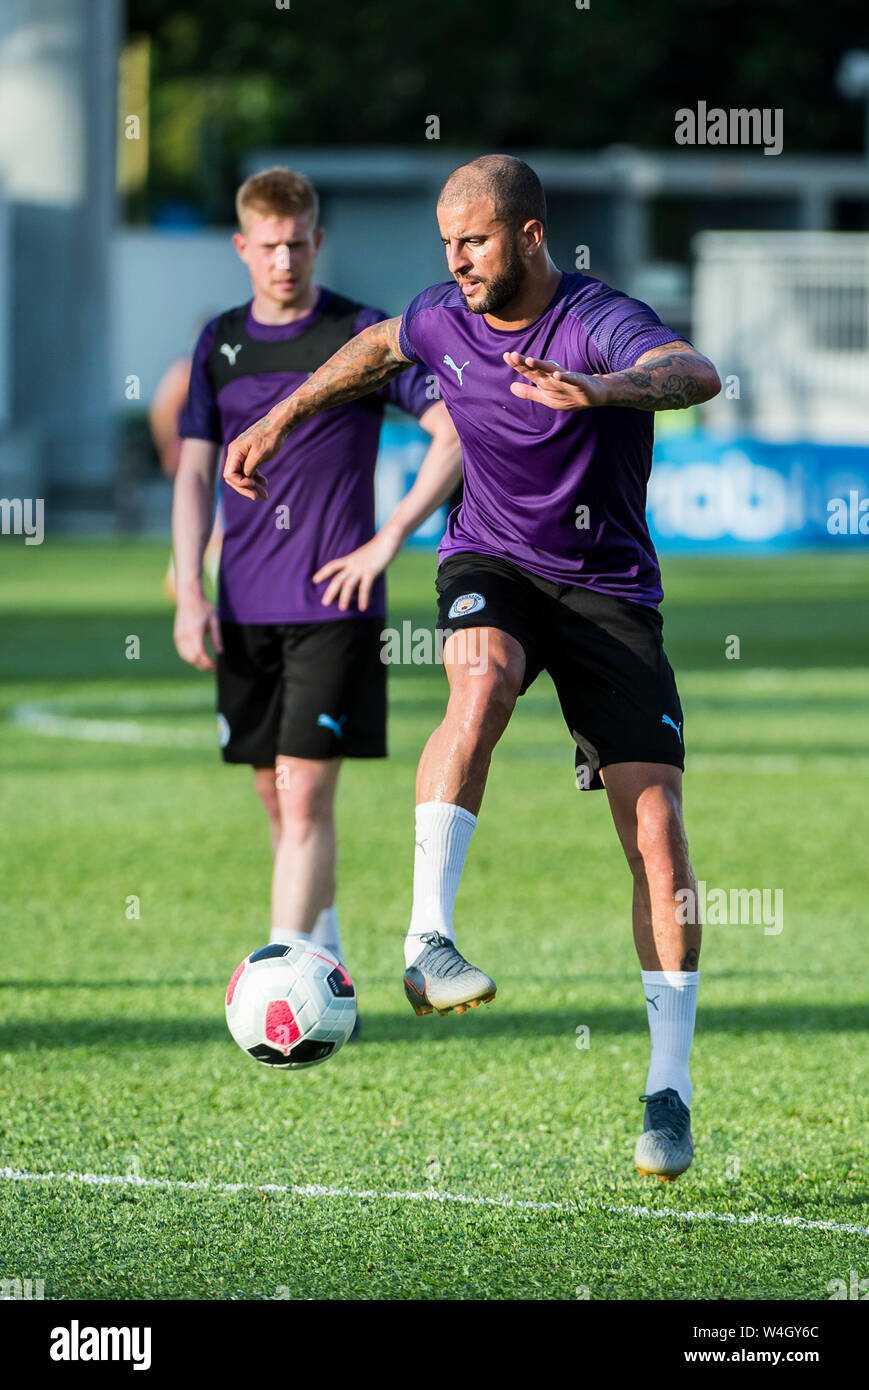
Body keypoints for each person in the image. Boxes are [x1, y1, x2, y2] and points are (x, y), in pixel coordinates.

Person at [221, 155, 721, 1179]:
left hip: (608, 590)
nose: (455, 260)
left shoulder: (595, 317)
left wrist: (602, 387)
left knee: (657, 835)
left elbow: (693, 373)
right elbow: (368, 350)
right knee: (480, 677)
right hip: (488, 555)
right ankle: (426, 940)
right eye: (446, 241)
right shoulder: (441, 315)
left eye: (475, 240)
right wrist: (278, 417)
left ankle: (666, 1089)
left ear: (529, 237)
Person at [172, 167, 462, 998]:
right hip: (243, 606)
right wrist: (191, 588)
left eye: (297, 245)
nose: (284, 261)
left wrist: (387, 540)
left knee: (303, 800)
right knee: (274, 797)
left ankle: (282, 991)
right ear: (242, 247)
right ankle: (326, 963)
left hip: (334, 605)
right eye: (268, 247)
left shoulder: (360, 334)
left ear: (317, 241)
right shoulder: (217, 343)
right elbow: (194, 475)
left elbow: (451, 430)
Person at [150, 349, 223, 600]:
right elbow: (163, 411)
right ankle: (183, 572)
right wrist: (168, 448)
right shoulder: (186, 371)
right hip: (196, 453)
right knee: (203, 510)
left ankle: (183, 572)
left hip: (222, 453)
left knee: (215, 513)